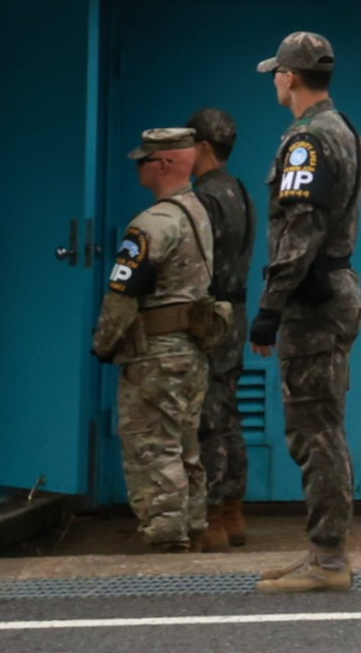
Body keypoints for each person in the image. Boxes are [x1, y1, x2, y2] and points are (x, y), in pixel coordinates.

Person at [249, 32, 361, 594]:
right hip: (333, 290)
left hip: (312, 302)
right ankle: (322, 551)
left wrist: (269, 308)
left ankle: (328, 559)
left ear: (290, 77)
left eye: (277, 72)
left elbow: (299, 232)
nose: (275, 80)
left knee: (315, 432)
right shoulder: (343, 128)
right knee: (321, 427)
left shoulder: (307, 141)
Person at [92, 127, 216, 553]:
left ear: (163, 164)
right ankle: (193, 525)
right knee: (185, 446)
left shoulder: (152, 223)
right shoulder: (198, 213)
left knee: (152, 448)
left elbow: (122, 294)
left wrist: (105, 343)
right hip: (191, 351)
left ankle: (166, 538)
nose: (138, 166)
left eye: (143, 160)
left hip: (155, 355)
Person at [185, 106, 257, 551]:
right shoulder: (242, 191)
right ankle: (233, 512)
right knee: (229, 411)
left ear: (204, 146)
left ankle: (211, 518)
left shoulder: (205, 198)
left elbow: (194, 264)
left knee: (207, 417)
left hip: (210, 317)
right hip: (238, 313)